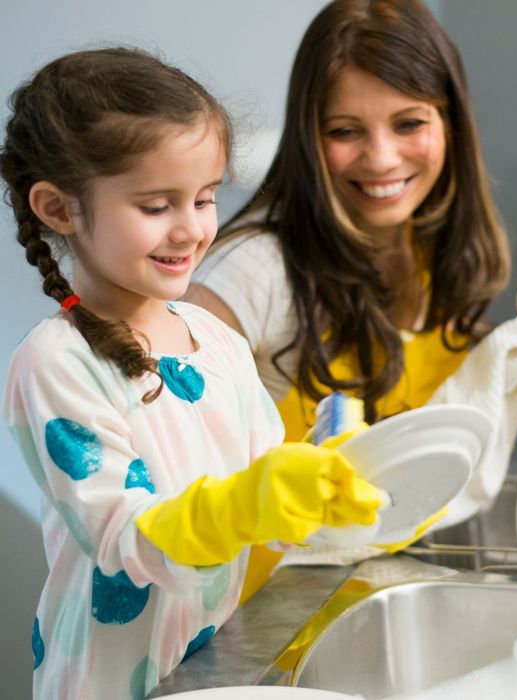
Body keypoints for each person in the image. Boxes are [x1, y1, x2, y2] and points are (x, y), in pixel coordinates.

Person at [0, 47, 385, 700]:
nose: (191, 229)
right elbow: (128, 539)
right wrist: (250, 501)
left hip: (207, 667)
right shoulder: (56, 363)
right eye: (156, 206)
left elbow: (261, 472)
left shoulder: (214, 341)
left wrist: (327, 456)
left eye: (204, 199)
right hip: (103, 684)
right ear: (59, 209)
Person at [186, 0, 514, 441]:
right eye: (344, 130)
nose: (381, 159)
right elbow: (171, 448)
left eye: (409, 124)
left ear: (451, 122)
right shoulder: (251, 270)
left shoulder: (439, 245)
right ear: (309, 136)